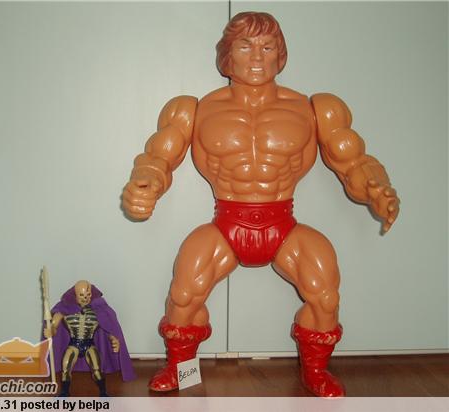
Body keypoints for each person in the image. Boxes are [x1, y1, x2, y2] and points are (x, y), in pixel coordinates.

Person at [122, 12, 399, 397]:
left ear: (280, 55)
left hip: (283, 222)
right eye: (245, 46)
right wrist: (146, 184)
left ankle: (315, 372)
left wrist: (376, 188)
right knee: (184, 293)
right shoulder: (192, 109)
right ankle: (181, 370)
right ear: (227, 55)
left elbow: (354, 163)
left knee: (325, 292)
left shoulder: (316, 108)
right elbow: (157, 159)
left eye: (267, 47)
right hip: (226, 223)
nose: (256, 57)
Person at [44, 280, 135, 396]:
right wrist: (50, 331)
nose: (85, 298)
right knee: (66, 368)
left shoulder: (98, 310)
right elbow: (54, 327)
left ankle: (103, 392)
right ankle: (64, 392)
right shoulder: (64, 310)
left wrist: (114, 339)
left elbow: (108, 327)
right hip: (74, 344)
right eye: (81, 295)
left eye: (88, 294)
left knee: (97, 369)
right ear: (75, 295)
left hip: (89, 344)